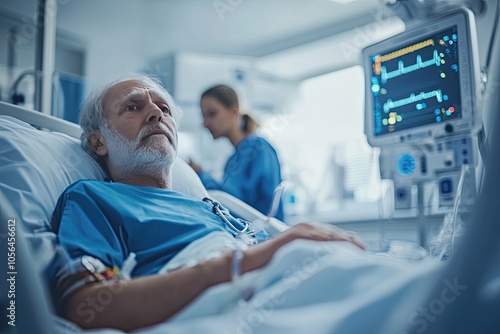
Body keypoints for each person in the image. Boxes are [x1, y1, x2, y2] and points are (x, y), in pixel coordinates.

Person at [49, 74, 365, 332]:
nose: (157, 113)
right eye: (133, 107)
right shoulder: (94, 198)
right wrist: (239, 263)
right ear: (98, 141)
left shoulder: (209, 207)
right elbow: (85, 308)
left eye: (164, 108)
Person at [189, 84, 285, 221]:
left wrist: (201, 175)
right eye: (203, 116)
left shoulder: (258, 148)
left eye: (212, 114)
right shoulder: (233, 159)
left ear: (233, 112)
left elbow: (239, 204)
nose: (205, 123)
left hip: (264, 234)